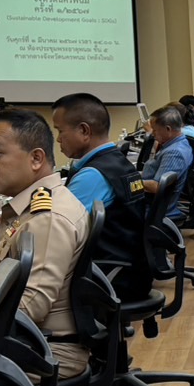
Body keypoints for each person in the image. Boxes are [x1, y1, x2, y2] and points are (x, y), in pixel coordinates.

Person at [0, 109, 91, 375]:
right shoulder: (31, 207)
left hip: (41, 353)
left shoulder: (47, 218)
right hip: (21, 341)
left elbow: (29, 307)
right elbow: (5, 281)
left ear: (36, 158)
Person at [52, 93, 151, 293]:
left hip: (109, 280)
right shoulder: (118, 162)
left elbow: (55, 234)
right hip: (131, 271)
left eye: (60, 131)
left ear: (83, 130)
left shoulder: (92, 176)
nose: (57, 139)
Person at [141, 104, 194, 204]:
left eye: (155, 130)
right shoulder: (178, 143)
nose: (152, 133)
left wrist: (132, 183)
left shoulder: (174, 153)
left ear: (168, 129)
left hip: (151, 206)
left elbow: (157, 186)